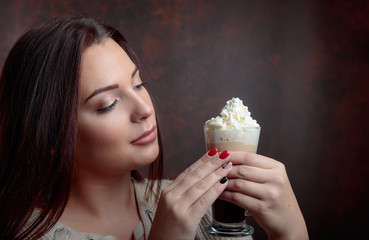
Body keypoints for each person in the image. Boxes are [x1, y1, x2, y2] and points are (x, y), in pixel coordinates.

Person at [0, 15, 308, 240]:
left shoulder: (200, 208)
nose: (145, 110)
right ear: (49, 134)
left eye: (138, 84)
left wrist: (291, 230)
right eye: (108, 103)